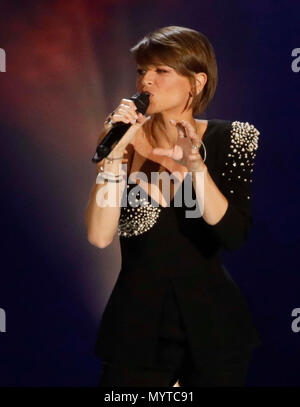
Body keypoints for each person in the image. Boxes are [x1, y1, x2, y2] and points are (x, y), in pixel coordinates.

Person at [85, 26, 261, 387]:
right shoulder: (123, 140)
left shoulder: (234, 138)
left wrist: (196, 169)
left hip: (213, 334)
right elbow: (99, 236)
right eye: (141, 71)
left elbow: (232, 233)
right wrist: (116, 155)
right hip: (137, 333)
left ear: (196, 82)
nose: (145, 81)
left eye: (160, 71)